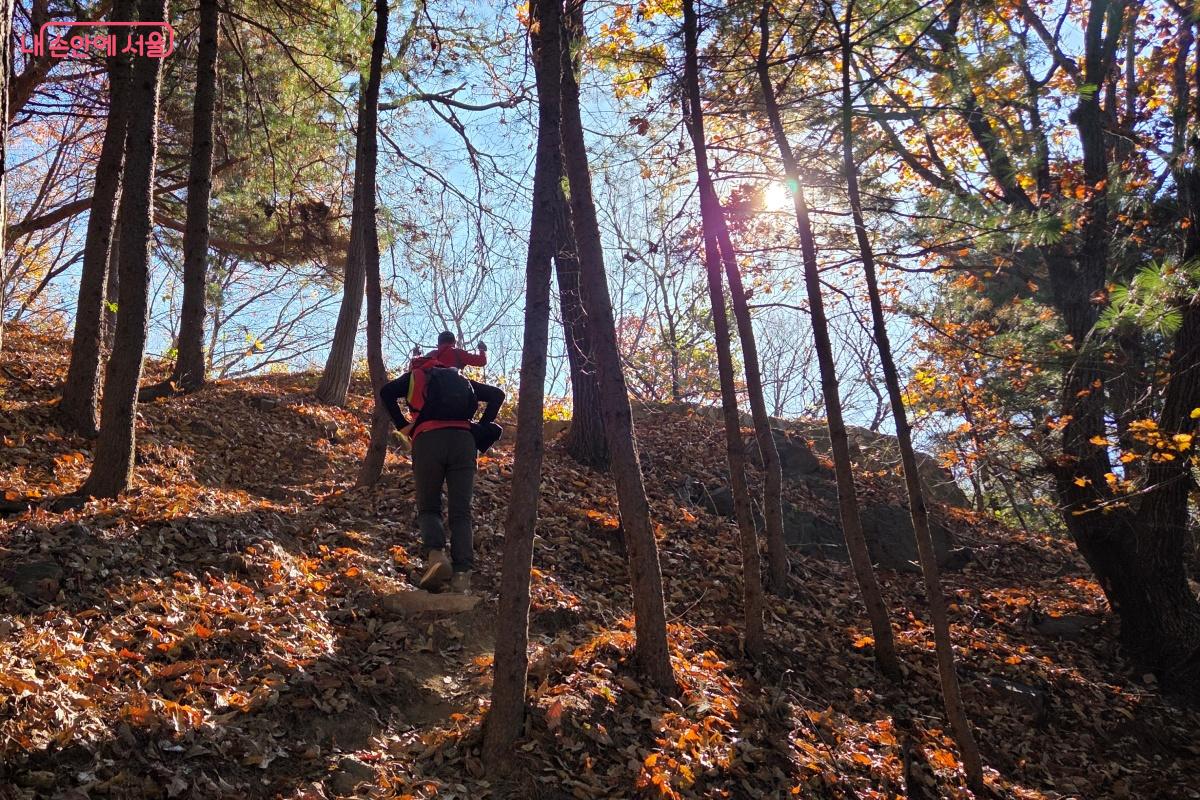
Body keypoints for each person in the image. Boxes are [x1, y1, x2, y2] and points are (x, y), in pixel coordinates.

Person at [379, 342, 504, 594]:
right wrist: (479, 426)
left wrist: (403, 425)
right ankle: (462, 575)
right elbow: (497, 395)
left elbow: (386, 393)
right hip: (464, 442)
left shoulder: (415, 376)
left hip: (427, 441)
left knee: (429, 506)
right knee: (461, 511)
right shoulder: (459, 378)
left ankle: (437, 557)